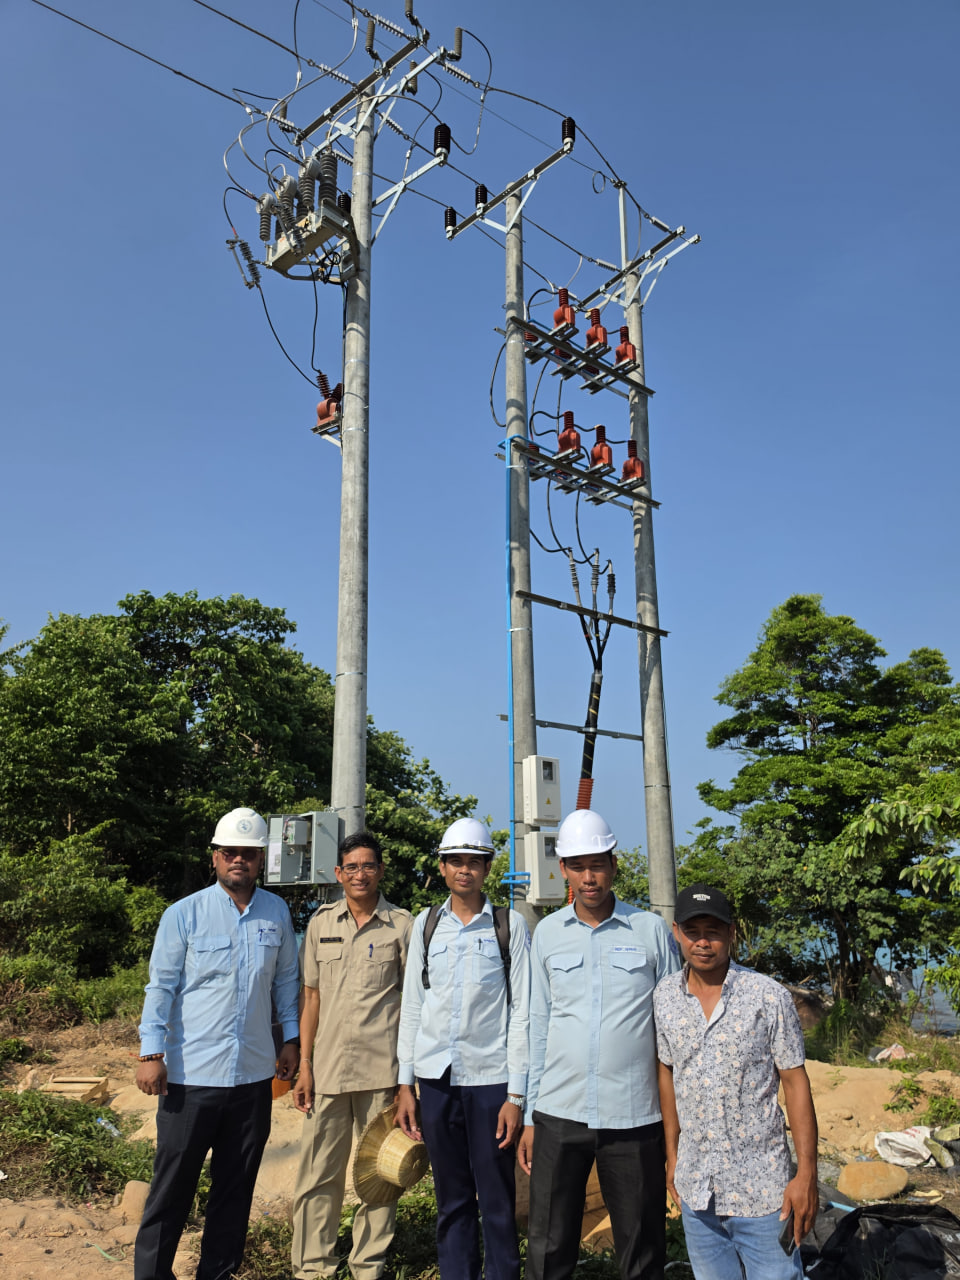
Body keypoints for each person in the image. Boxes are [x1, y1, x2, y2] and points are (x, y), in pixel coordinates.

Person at [134, 806, 300, 1280]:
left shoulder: (276, 912)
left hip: (252, 1080)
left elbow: (286, 982)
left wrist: (291, 1040)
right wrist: (151, 1053)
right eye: (229, 852)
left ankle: (217, 1274)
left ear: (261, 858)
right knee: (171, 1190)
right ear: (215, 857)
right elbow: (161, 987)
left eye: (248, 852)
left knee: (234, 1191)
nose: (238, 860)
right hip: (190, 1079)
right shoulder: (183, 914)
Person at [518, 808, 678, 1280]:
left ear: (613, 865)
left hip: (634, 1115)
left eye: (597, 865)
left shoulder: (649, 930)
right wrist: (528, 1115)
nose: (589, 878)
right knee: (548, 1245)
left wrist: (678, 1123)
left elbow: (675, 1029)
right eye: (578, 866)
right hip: (559, 1112)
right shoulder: (547, 934)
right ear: (563, 869)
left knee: (642, 1247)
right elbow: (538, 1025)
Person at [653, 884, 819, 1280]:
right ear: (677, 933)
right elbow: (667, 1071)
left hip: (763, 1193)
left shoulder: (767, 997)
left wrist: (807, 1174)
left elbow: (795, 1082)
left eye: (713, 931)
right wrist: (673, 1156)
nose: (702, 942)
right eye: (693, 932)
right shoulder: (665, 997)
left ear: (731, 933)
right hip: (697, 1190)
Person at [395, 817, 531, 1280]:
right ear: (442, 867)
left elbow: (522, 1012)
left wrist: (516, 1096)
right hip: (436, 1080)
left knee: (496, 1197)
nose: (464, 870)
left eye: (474, 861)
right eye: (455, 861)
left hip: (491, 1081)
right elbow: (413, 1005)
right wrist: (405, 1084)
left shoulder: (509, 925)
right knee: (451, 1198)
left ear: (488, 868)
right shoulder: (426, 925)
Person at [290, 831, 413, 1280]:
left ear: (381, 870)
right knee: (317, 1174)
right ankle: (312, 1268)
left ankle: (368, 1267)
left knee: (380, 1174)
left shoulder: (402, 925)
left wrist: (407, 1082)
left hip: (381, 1073)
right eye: (352, 867)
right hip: (326, 1072)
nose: (361, 874)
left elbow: (414, 1004)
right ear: (339, 873)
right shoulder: (321, 923)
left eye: (369, 866)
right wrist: (304, 1065)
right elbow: (311, 998)